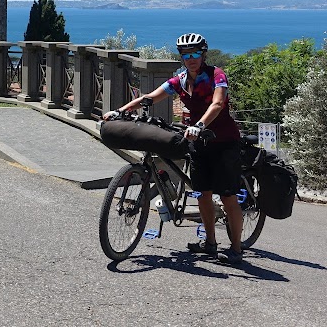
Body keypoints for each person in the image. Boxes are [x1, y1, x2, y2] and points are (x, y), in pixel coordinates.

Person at [102, 32, 244, 264]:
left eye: (196, 54)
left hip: (224, 142)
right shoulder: (180, 80)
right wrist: (120, 111)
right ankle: (210, 243)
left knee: (228, 197)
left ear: (204, 54)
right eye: (186, 55)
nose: (191, 59)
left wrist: (199, 125)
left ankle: (236, 249)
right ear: (181, 57)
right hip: (198, 142)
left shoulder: (216, 75)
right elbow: (150, 98)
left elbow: (218, 103)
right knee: (202, 194)